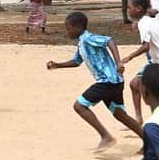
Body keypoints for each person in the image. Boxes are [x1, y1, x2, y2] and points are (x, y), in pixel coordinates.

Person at [46, 12, 143, 152]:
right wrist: (58, 65)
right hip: (114, 81)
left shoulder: (88, 38)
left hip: (107, 81)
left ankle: (106, 137)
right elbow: (76, 61)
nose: (67, 31)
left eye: (68, 28)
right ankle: (150, 141)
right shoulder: (81, 43)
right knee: (120, 114)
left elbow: (109, 40)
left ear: (78, 27)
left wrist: (118, 62)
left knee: (79, 106)